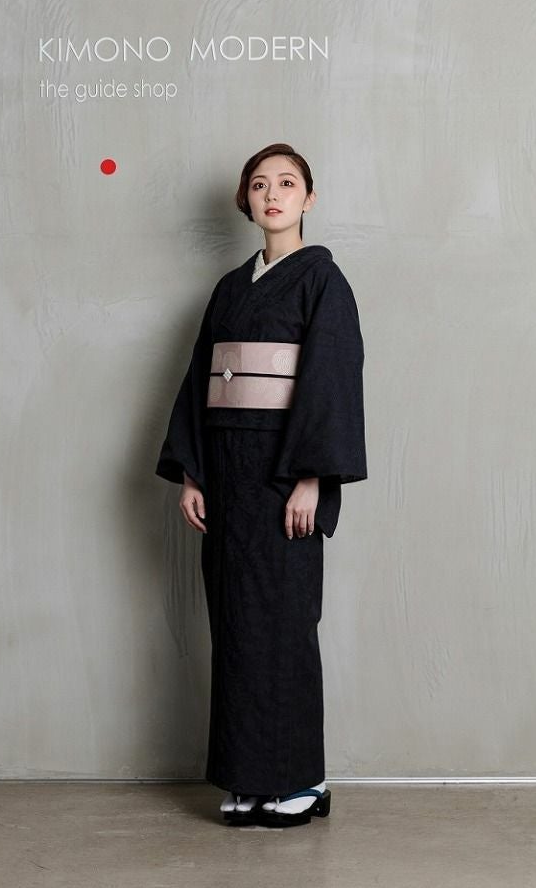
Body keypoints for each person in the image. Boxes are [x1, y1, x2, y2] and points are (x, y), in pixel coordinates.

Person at [155, 142, 367, 828]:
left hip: (282, 481)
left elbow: (331, 380)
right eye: (259, 184)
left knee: (284, 625)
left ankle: (303, 779)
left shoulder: (322, 282)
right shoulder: (229, 289)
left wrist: (312, 477)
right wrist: (193, 471)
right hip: (228, 482)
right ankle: (250, 778)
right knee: (237, 627)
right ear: (244, 201)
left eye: (286, 183)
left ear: (309, 197)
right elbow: (201, 378)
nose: (272, 194)